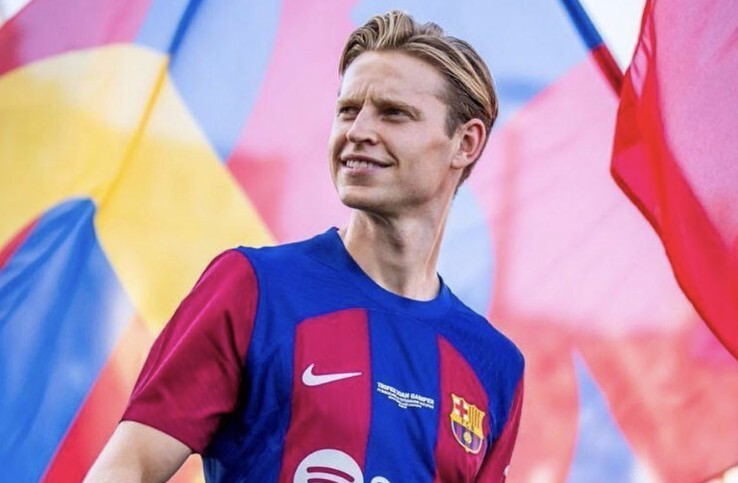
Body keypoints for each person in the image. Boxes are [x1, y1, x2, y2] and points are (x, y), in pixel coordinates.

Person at [85, 10, 524, 483]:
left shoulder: (494, 365)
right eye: (348, 110)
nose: (358, 131)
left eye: (393, 113)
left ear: (466, 142)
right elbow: (129, 467)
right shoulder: (253, 288)